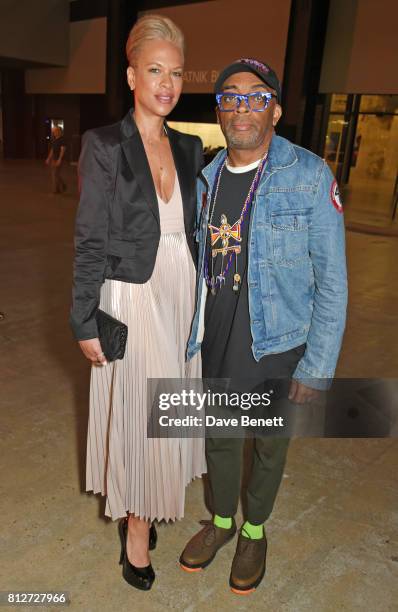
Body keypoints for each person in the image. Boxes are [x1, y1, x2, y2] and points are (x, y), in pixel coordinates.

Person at [179, 58, 348, 594]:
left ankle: (254, 530)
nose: (241, 108)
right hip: (217, 341)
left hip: (280, 344)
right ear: (220, 111)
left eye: (255, 97)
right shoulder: (205, 179)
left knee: (270, 444)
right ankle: (223, 523)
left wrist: (317, 367)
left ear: (275, 110)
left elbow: (334, 284)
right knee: (220, 441)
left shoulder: (310, 175)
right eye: (230, 97)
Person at [70, 15, 206, 591]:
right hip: (131, 292)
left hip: (182, 290)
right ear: (131, 76)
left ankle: (145, 510)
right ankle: (135, 531)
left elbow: (202, 228)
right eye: (154, 70)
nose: (166, 83)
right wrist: (82, 318)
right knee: (142, 419)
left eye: (174, 72)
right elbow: (89, 237)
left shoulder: (191, 145)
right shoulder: (103, 145)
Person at [45, 125, 67, 193]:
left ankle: (57, 189)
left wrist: (59, 159)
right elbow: (52, 150)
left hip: (58, 159)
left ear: (59, 132)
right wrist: (48, 158)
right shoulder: (54, 140)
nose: (53, 133)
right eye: (53, 131)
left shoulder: (62, 139)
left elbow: (63, 150)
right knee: (55, 174)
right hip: (54, 158)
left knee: (55, 174)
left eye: (55, 131)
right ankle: (62, 186)